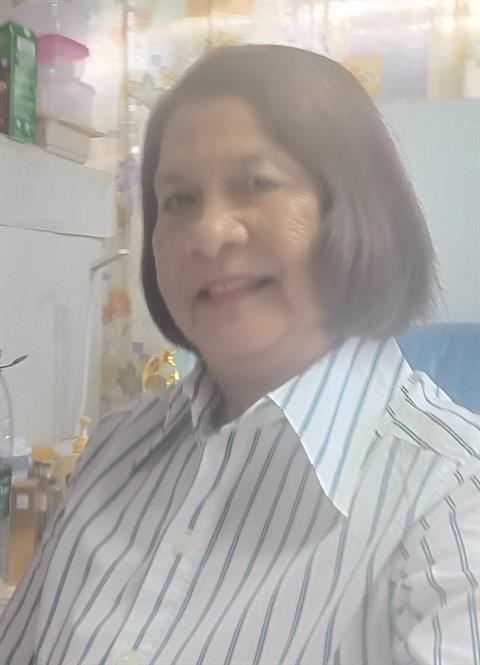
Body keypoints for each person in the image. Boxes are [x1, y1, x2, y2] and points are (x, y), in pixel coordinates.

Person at [1, 45, 479, 665]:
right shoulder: (116, 449)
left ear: (358, 210)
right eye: (178, 199)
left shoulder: (453, 500)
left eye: (256, 184)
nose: (209, 233)